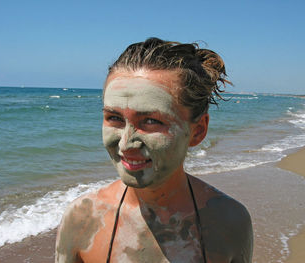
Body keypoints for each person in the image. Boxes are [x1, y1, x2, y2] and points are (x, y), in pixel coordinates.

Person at [55, 38, 253, 263]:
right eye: (114, 118)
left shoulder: (228, 222)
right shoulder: (83, 219)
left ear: (197, 131)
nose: (125, 144)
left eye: (150, 121)